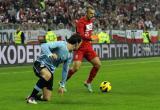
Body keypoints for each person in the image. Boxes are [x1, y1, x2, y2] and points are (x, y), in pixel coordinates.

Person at [26, 33, 82, 104]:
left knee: (47, 98)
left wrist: (62, 85)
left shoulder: (70, 55)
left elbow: (65, 70)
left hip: (50, 71)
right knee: (47, 75)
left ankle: (33, 96)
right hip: (40, 63)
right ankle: (31, 98)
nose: (80, 46)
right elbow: (44, 45)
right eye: (80, 44)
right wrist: (50, 54)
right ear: (76, 43)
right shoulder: (61, 44)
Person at [66, 5, 101, 93]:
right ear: (86, 13)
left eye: (93, 14)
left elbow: (88, 32)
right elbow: (80, 35)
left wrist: (90, 40)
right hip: (80, 47)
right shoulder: (80, 22)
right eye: (91, 13)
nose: (92, 15)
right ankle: (62, 82)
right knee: (76, 68)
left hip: (88, 47)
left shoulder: (91, 21)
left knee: (98, 64)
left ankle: (88, 82)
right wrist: (91, 38)